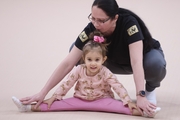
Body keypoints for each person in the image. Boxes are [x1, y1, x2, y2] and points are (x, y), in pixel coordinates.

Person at [17, 0, 166, 116]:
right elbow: (68, 62)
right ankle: (93, 89)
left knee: (155, 64)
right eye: (93, 18)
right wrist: (43, 93)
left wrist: (140, 95)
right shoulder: (92, 28)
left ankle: (150, 90)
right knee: (76, 52)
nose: (96, 24)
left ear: (115, 18)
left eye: (101, 21)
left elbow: (136, 61)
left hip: (142, 60)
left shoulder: (129, 24)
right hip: (111, 62)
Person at [12, 31, 160, 117]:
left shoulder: (105, 72)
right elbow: (67, 83)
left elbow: (117, 86)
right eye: (89, 59)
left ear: (103, 59)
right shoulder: (79, 69)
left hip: (104, 100)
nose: (93, 63)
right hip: (80, 100)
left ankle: (146, 112)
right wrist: (55, 96)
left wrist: (127, 99)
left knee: (125, 107)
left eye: (97, 60)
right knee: (54, 105)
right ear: (84, 59)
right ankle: (27, 107)